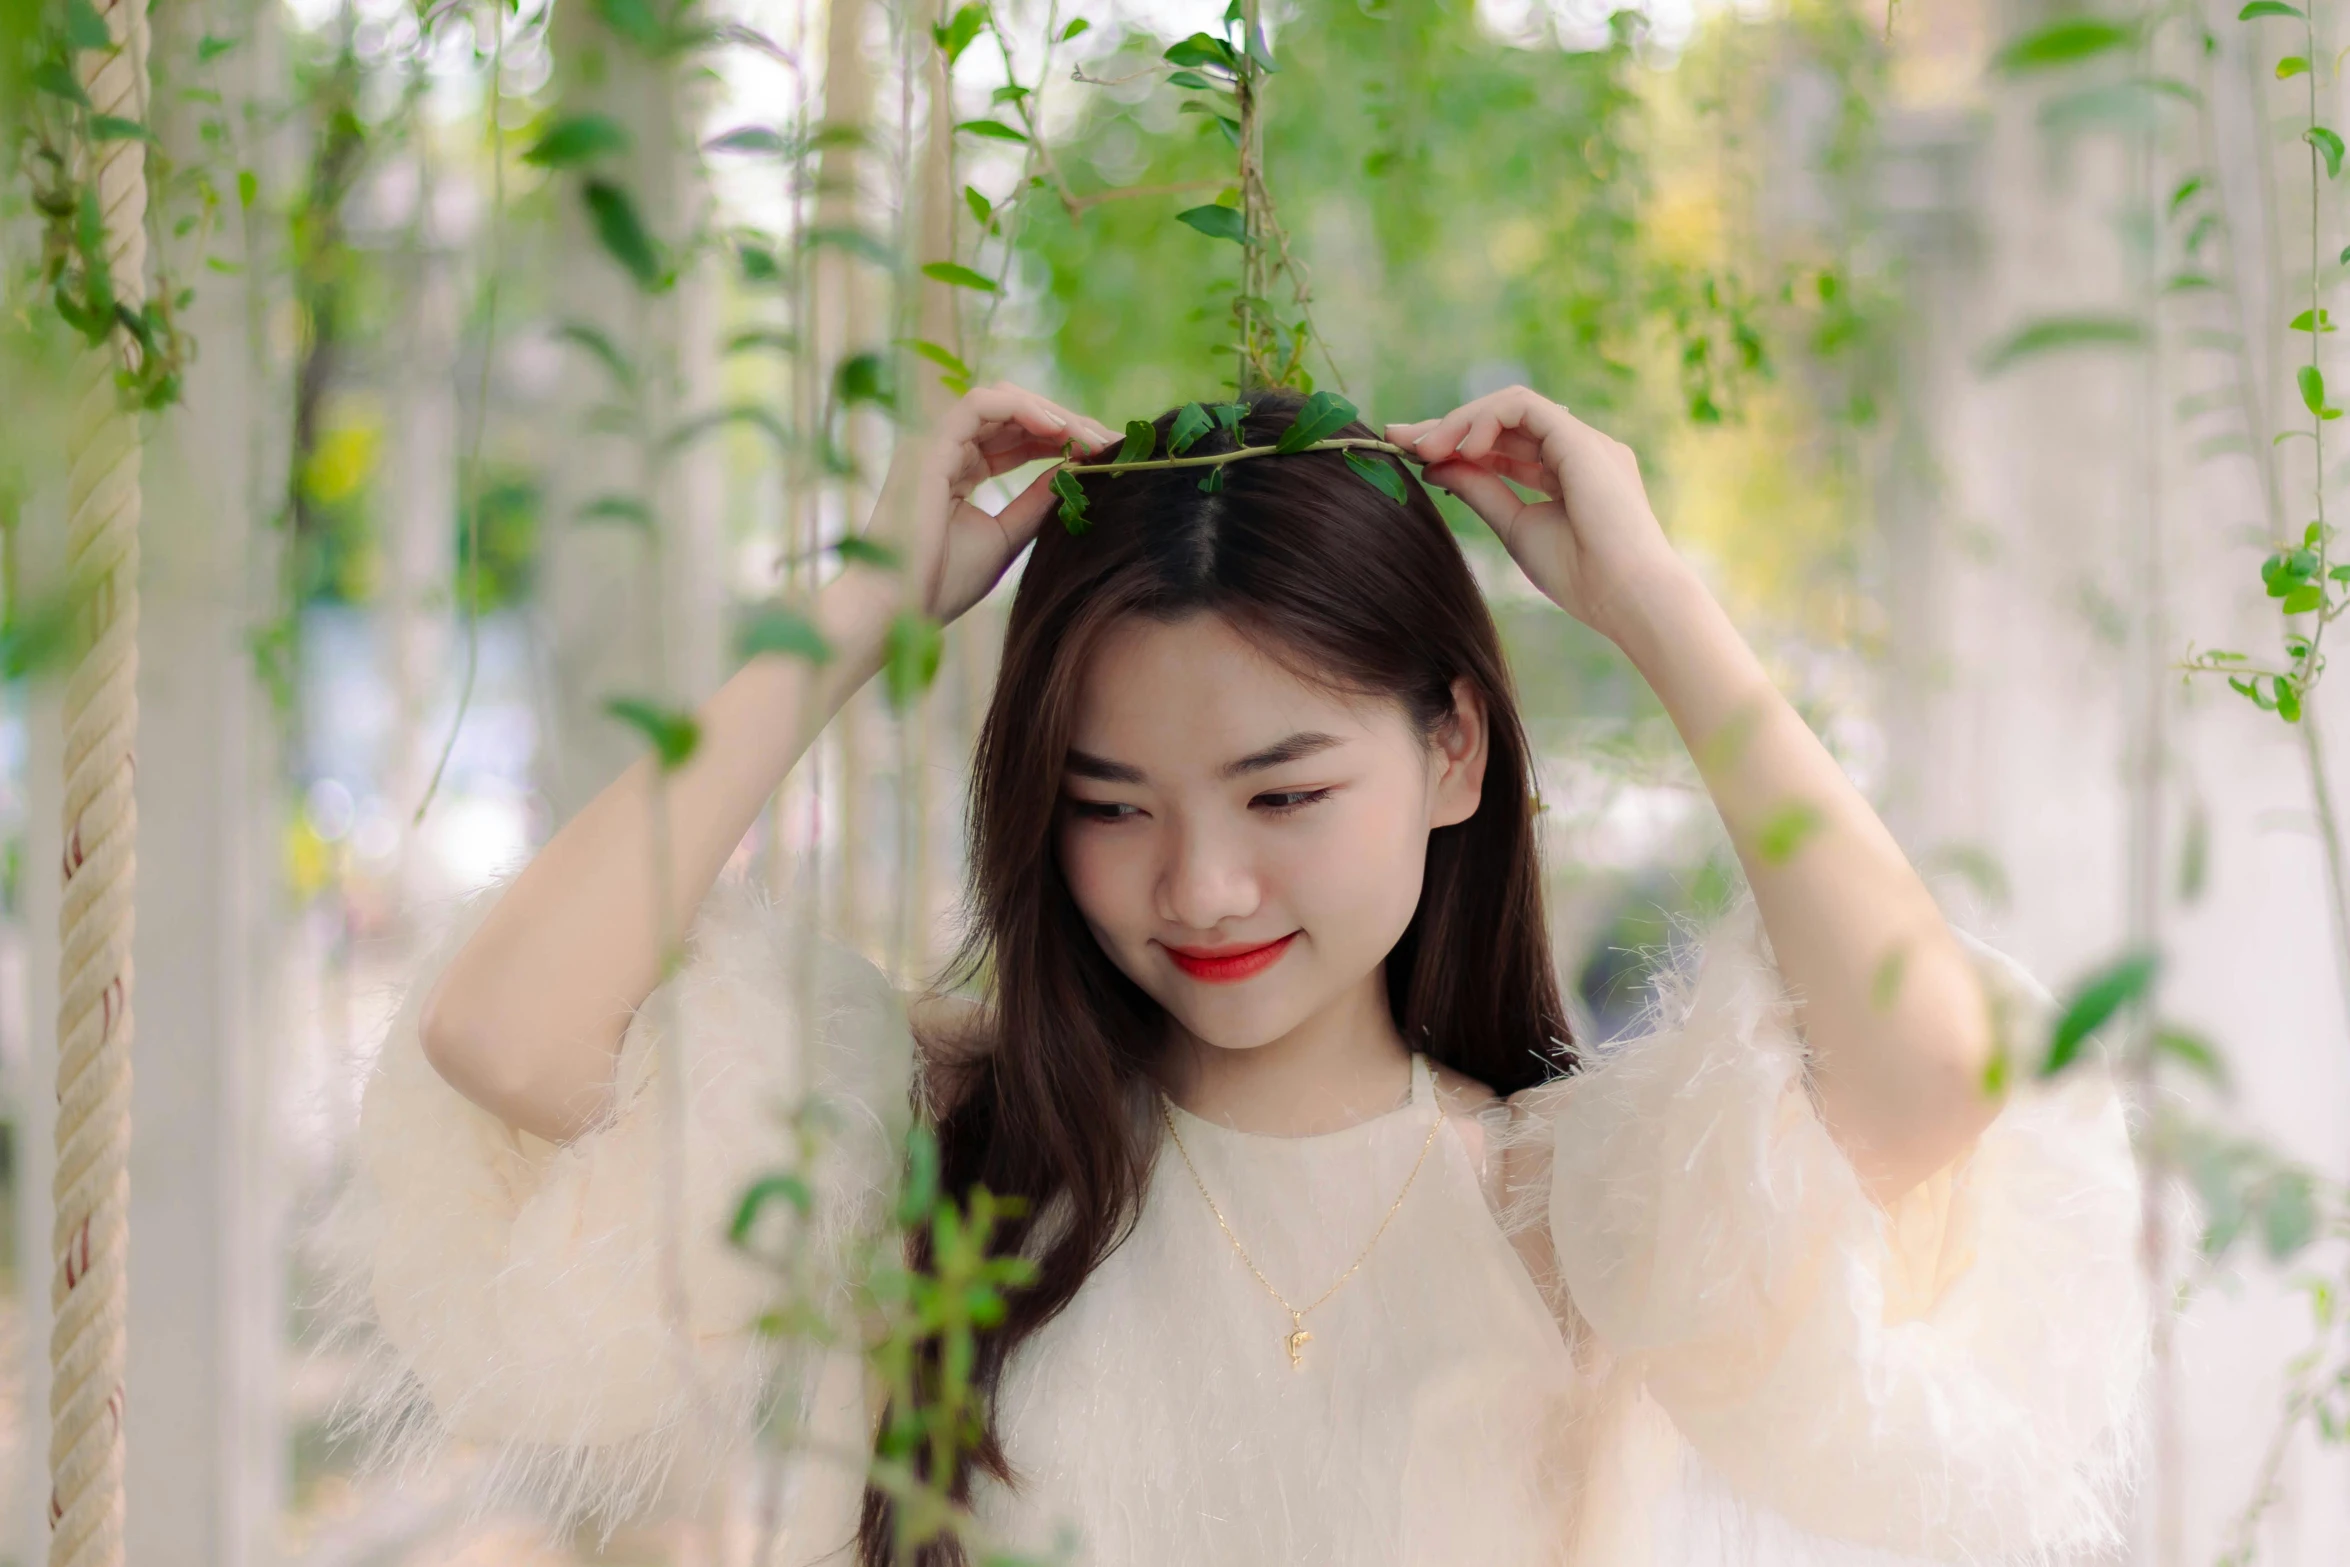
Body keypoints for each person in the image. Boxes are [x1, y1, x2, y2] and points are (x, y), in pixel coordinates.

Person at [333, 384, 2144, 1566]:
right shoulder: (931, 1150)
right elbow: (507, 1029)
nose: (1198, 884)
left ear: (1453, 756)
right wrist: (865, 599)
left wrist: (1651, 599)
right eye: (1106, 803)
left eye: (1284, 790)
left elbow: (1927, 1071)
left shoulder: (1564, 1204)